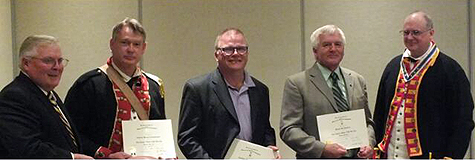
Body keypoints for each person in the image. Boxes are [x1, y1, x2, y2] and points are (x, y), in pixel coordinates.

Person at [373, 11, 474, 159]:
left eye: (416, 32)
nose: (409, 37)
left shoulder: (451, 70)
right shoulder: (393, 66)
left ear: (431, 33)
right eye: (406, 32)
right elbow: (380, 112)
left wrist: (452, 156)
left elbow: (463, 121)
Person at [64, 18, 165, 159]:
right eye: (124, 43)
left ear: (143, 48)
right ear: (112, 44)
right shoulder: (90, 84)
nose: (130, 49)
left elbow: (159, 133)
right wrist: (105, 154)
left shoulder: (153, 86)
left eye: (136, 44)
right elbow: (70, 134)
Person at [177, 28, 279, 159]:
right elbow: (187, 138)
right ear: (216, 55)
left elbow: (265, 129)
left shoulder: (260, 90)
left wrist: (269, 147)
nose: (236, 54)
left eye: (241, 48)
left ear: (247, 53)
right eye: (228, 49)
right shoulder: (197, 89)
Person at [280, 25, 375, 158]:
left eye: (338, 44)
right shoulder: (297, 83)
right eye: (326, 45)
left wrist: (369, 143)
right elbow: (289, 130)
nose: (333, 49)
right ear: (315, 51)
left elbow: (368, 123)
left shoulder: (358, 80)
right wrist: (321, 148)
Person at [0, 35, 92, 159]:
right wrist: (71, 158)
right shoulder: (14, 97)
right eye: (48, 61)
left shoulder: (48, 94)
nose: (57, 67)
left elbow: (68, 142)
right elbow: (26, 148)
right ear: (26, 63)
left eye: (60, 61)